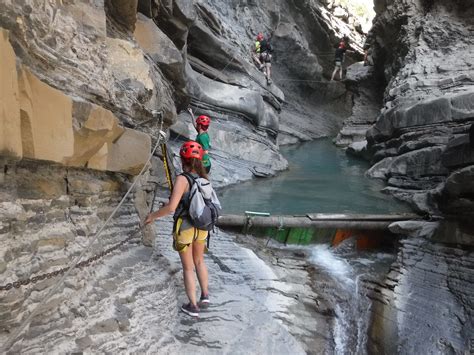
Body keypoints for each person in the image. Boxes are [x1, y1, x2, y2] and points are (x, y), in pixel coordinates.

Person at [145, 141, 210, 317]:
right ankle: (205, 296)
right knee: (199, 262)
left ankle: (193, 306)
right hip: (202, 227)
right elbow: (191, 201)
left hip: (186, 228)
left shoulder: (182, 179)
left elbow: (172, 208)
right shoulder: (204, 179)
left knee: (188, 268)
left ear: (183, 159)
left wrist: (152, 216)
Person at [188, 108, 212, 173]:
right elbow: (194, 124)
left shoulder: (203, 137)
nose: (196, 125)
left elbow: (206, 151)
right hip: (203, 163)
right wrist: (191, 114)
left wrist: (194, 155)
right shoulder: (201, 132)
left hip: (203, 165)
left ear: (200, 126)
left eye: (198, 124)